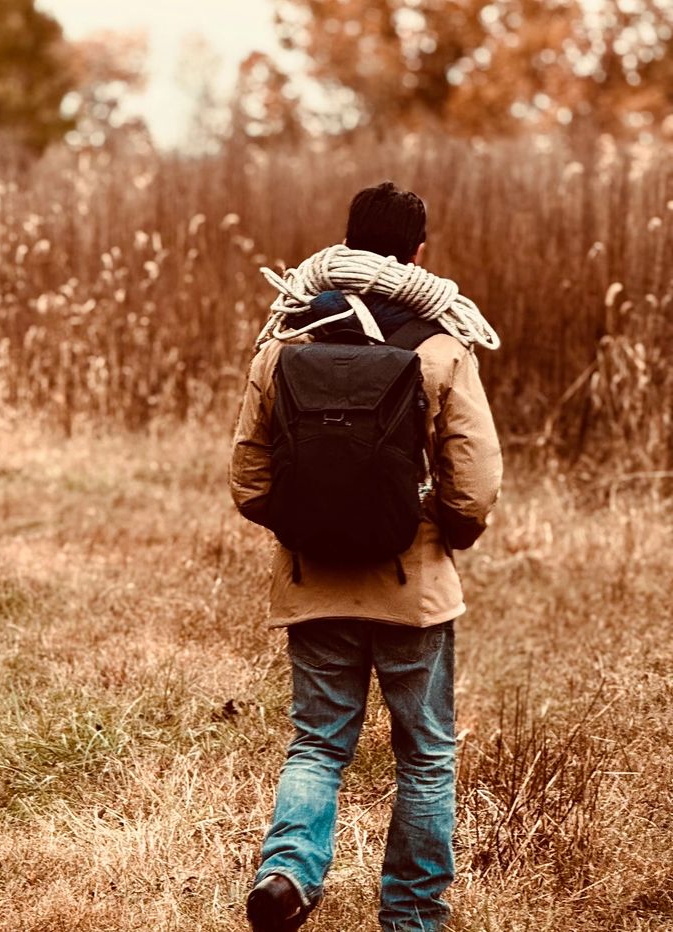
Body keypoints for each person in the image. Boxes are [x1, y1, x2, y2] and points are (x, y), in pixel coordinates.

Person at [230, 182, 503, 932]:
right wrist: (440, 532)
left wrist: (312, 527)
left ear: (345, 245)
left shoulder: (285, 344)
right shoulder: (442, 347)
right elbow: (474, 486)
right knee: (425, 756)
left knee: (318, 745)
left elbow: (247, 481)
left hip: (313, 581)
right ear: (419, 253)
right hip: (413, 585)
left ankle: (285, 876)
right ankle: (412, 918)